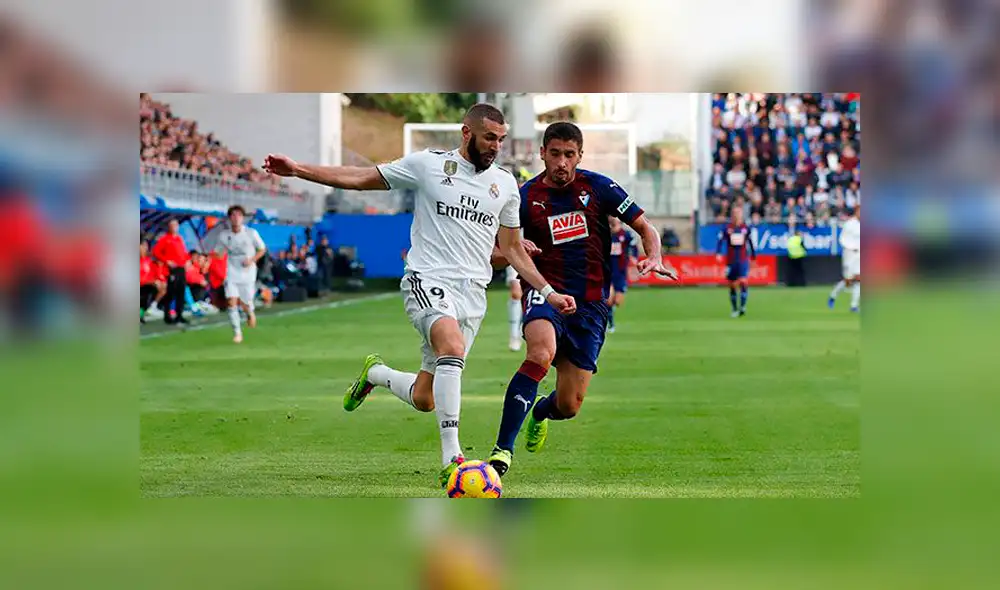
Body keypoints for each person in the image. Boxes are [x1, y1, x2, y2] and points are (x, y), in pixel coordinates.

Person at [262, 103, 575, 489]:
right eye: (489, 137)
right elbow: (361, 177)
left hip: (473, 294)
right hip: (426, 279)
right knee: (452, 347)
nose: (496, 146)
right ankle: (453, 459)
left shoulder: (506, 185)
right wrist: (299, 170)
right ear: (467, 133)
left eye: (501, 139)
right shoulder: (428, 165)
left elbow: (511, 249)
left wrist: (548, 290)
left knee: (426, 398)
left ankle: (375, 374)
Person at [486, 122, 677, 478]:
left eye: (569, 155)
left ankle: (541, 412)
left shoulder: (599, 187)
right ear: (542, 153)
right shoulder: (524, 198)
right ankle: (502, 452)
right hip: (546, 293)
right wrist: (511, 251)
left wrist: (654, 255)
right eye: (555, 153)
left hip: (590, 306)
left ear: (580, 156)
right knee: (540, 353)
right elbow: (494, 253)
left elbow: (645, 226)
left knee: (569, 405)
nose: (561, 162)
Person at [209, 205, 266, 343]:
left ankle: (249, 312)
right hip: (232, 272)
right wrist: (208, 257)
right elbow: (219, 252)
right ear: (229, 218)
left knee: (246, 303)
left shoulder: (251, 233)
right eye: (233, 215)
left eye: (239, 215)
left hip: (248, 272)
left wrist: (251, 260)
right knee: (231, 301)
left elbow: (262, 249)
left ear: (243, 218)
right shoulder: (224, 236)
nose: (236, 218)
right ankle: (237, 332)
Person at [716, 206, 757, 317]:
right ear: (732, 215)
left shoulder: (745, 228)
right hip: (731, 260)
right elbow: (720, 241)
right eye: (734, 213)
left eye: (738, 213)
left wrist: (753, 256)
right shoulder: (727, 228)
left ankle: (742, 307)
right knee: (733, 285)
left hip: (743, 259)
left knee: (743, 281)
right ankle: (734, 309)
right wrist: (718, 253)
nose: (736, 215)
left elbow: (751, 242)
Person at [150, 218, 190, 325]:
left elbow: (184, 252)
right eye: (172, 225)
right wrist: (167, 261)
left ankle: (179, 315)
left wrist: (187, 261)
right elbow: (156, 252)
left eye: (176, 225)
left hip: (181, 268)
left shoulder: (179, 239)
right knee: (171, 292)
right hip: (172, 269)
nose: (174, 227)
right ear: (169, 227)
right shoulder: (165, 239)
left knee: (181, 292)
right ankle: (167, 315)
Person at [606, 216, 638, 333]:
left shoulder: (625, 235)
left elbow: (633, 245)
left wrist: (633, 256)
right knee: (608, 300)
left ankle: (610, 311)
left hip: (620, 272)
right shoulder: (605, 233)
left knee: (618, 301)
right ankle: (610, 323)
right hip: (607, 272)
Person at [829, 205, 860, 312]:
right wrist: (850, 248)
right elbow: (842, 239)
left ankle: (854, 305)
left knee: (859, 280)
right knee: (848, 281)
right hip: (849, 254)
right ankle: (833, 295)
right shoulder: (849, 224)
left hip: (859, 255)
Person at [139, 238, 166, 324]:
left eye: (146, 246)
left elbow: (154, 274)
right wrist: (151, 282)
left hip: (148, 285)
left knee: (163, 285)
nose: (145, 248)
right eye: (143, 246)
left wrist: (157, 280)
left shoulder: (148, 260)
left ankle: (152, 307)